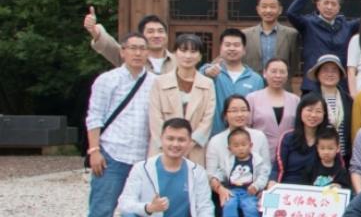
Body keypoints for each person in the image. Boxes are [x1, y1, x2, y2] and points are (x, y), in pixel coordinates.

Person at [82, 31, 154, 217]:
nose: (137, 53)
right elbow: (94, 116)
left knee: (136, 215)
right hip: (112, 154)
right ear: (122, 51)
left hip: (141, 158)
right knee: (101, 213)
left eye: (142, 48)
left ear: (148, 52)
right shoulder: (107, 80)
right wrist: (94, 150)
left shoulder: (155, 82)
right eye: (132, 48)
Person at [204, 95, 271, 217]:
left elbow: (265, 167)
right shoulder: (216, 141)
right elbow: (211, 173)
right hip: (225, 189)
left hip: (252, 188)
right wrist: (220, 189)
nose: (239, 114)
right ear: (225, 115)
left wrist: (259, 187)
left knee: (250, 211)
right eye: (234, 110)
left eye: (243, 109)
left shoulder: (258, 137)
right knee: (229, 210)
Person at [264, 95, 330, 217]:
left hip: (313, 191)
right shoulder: (288, 137)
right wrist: (272, 184)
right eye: (309, 110)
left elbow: (335, 165)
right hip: (286, 188)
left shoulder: (327, 137)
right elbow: (278, 166)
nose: (313, 115)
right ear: (300, 111)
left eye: (318, 111)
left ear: (324, 114)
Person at [148, 33, 215, 163]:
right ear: (175, 53)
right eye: (183, 51)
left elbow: (207, 119)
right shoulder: (160, 82)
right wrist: (171, 143)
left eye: (193, 52)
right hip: (163, 148)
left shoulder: (208, 84)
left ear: (200, 56)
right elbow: (155, 117)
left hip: (193, 149)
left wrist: (189, 144)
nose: (188, 56)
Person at [211, 127, 268, 217]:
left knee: (251, 208)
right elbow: (221, 172)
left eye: (243, 145)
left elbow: (263, 176)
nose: (240, 148)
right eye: (236, 146)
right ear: (229, 148)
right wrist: (216, 179)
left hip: (249, 192)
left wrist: (256, 186)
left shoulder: (257, 161)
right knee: (228, 204)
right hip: (233, 190)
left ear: (250, 145)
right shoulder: (228, 161)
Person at [201, 28, 265, 135]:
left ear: (244, 50)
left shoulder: (256, 79)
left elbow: (258, 111)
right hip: (214, 135)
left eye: (236, 45)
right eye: (227, 45)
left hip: (244, 137)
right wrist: (206, 71)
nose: (232, 48)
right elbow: (198, 76)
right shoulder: (212, 73)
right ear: (220, 48)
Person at [83, 9, 170, 75]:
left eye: (160, 31)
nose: (156, 35)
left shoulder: (177, 60)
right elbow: (107, 45)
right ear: (141, 36)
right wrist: (94, 31)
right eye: (150, 31)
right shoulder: (129, 57)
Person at [242, 0, 300, 76]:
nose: (268, 10)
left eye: (272, 7)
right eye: (264, 6)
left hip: (280, 81)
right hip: (253, 82)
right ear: (258, 9)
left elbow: (294, 63)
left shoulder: (291, 34)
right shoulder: (245, 34)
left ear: (280, 10)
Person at [247, 59, 300, 145]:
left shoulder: (295, 100)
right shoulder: (252, 98)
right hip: (259, 147)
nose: (278, 75)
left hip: (288, 148)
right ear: (265, 73)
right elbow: (246, 127)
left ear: (287, 75)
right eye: (273, 71)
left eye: (282, 72)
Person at [309, 55, 352, 158]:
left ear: (340, 74)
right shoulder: (310, 99)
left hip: (343, 156)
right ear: (318, 74)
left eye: (334, 70)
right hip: (317, 157)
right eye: (325, 70)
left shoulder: (348, 100)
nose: (330, 74)